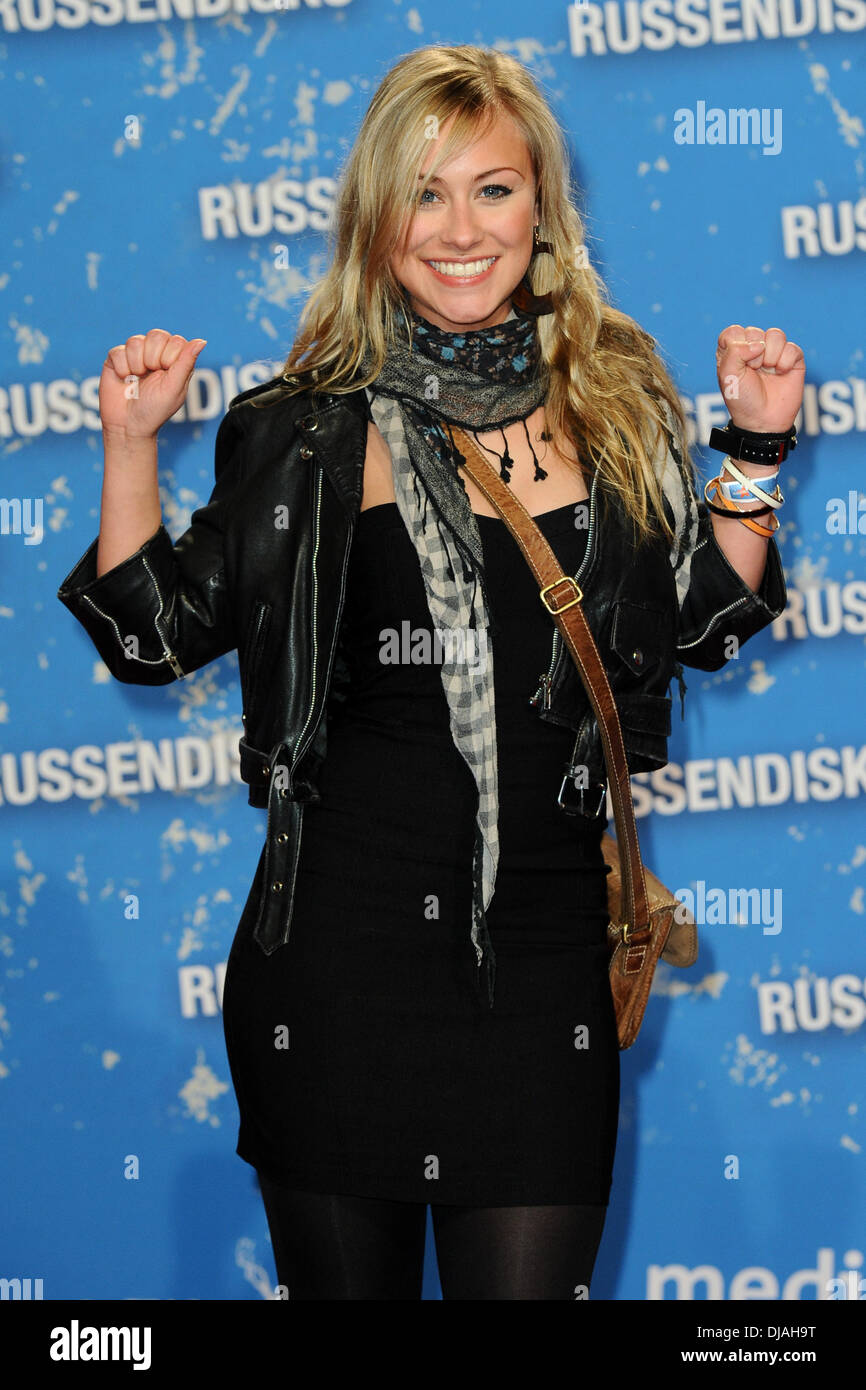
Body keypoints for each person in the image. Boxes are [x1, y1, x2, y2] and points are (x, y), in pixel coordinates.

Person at [57, 44, 800, 1300]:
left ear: (540, 211)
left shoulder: (614, 399)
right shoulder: (303, 425)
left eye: (492, 191)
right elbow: (156, 637)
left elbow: (699, 623)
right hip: (336, 969)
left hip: (543, 963)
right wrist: (130, 446)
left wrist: (756, 450)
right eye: (425, 192)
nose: (460, 230)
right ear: (375, 219)